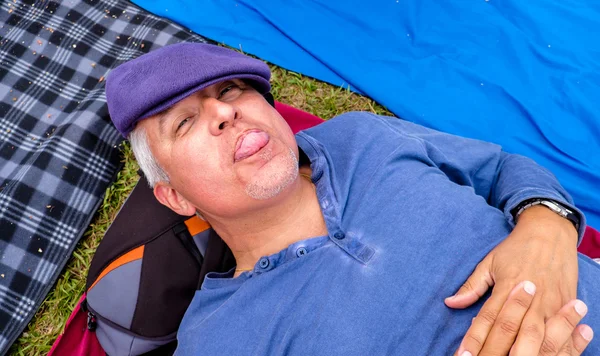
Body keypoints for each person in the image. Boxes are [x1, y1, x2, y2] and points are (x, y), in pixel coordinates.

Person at [105, 43, 599, 355]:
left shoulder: (360, 136)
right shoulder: (217, 337)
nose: (223, 112)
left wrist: (547, 226)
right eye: (185, 122)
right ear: (175, 196)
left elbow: (501, 168)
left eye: (232, 90)